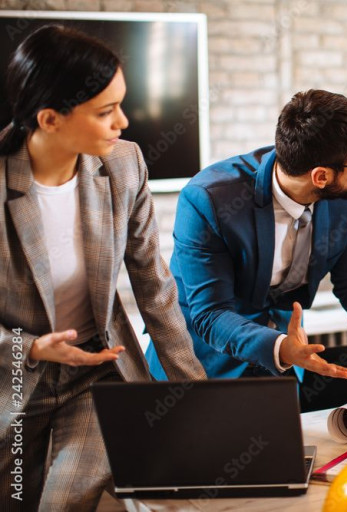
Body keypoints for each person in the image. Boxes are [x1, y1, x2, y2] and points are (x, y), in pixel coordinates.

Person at [0, 26, 205, 511]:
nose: (124, 121)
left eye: (121, 103)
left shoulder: (125, 165)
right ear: (49, 118)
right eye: (105, 111)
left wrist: (195, 394)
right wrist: (29, 349)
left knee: (64, 501)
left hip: (95, 372)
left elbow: (155, 286)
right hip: (11, 374)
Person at [145, 89, 347, 381]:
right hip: (199, 364)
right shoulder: (208, 199)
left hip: (283, 362)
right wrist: (279, 346)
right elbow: (211, 313)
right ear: (321, 176)